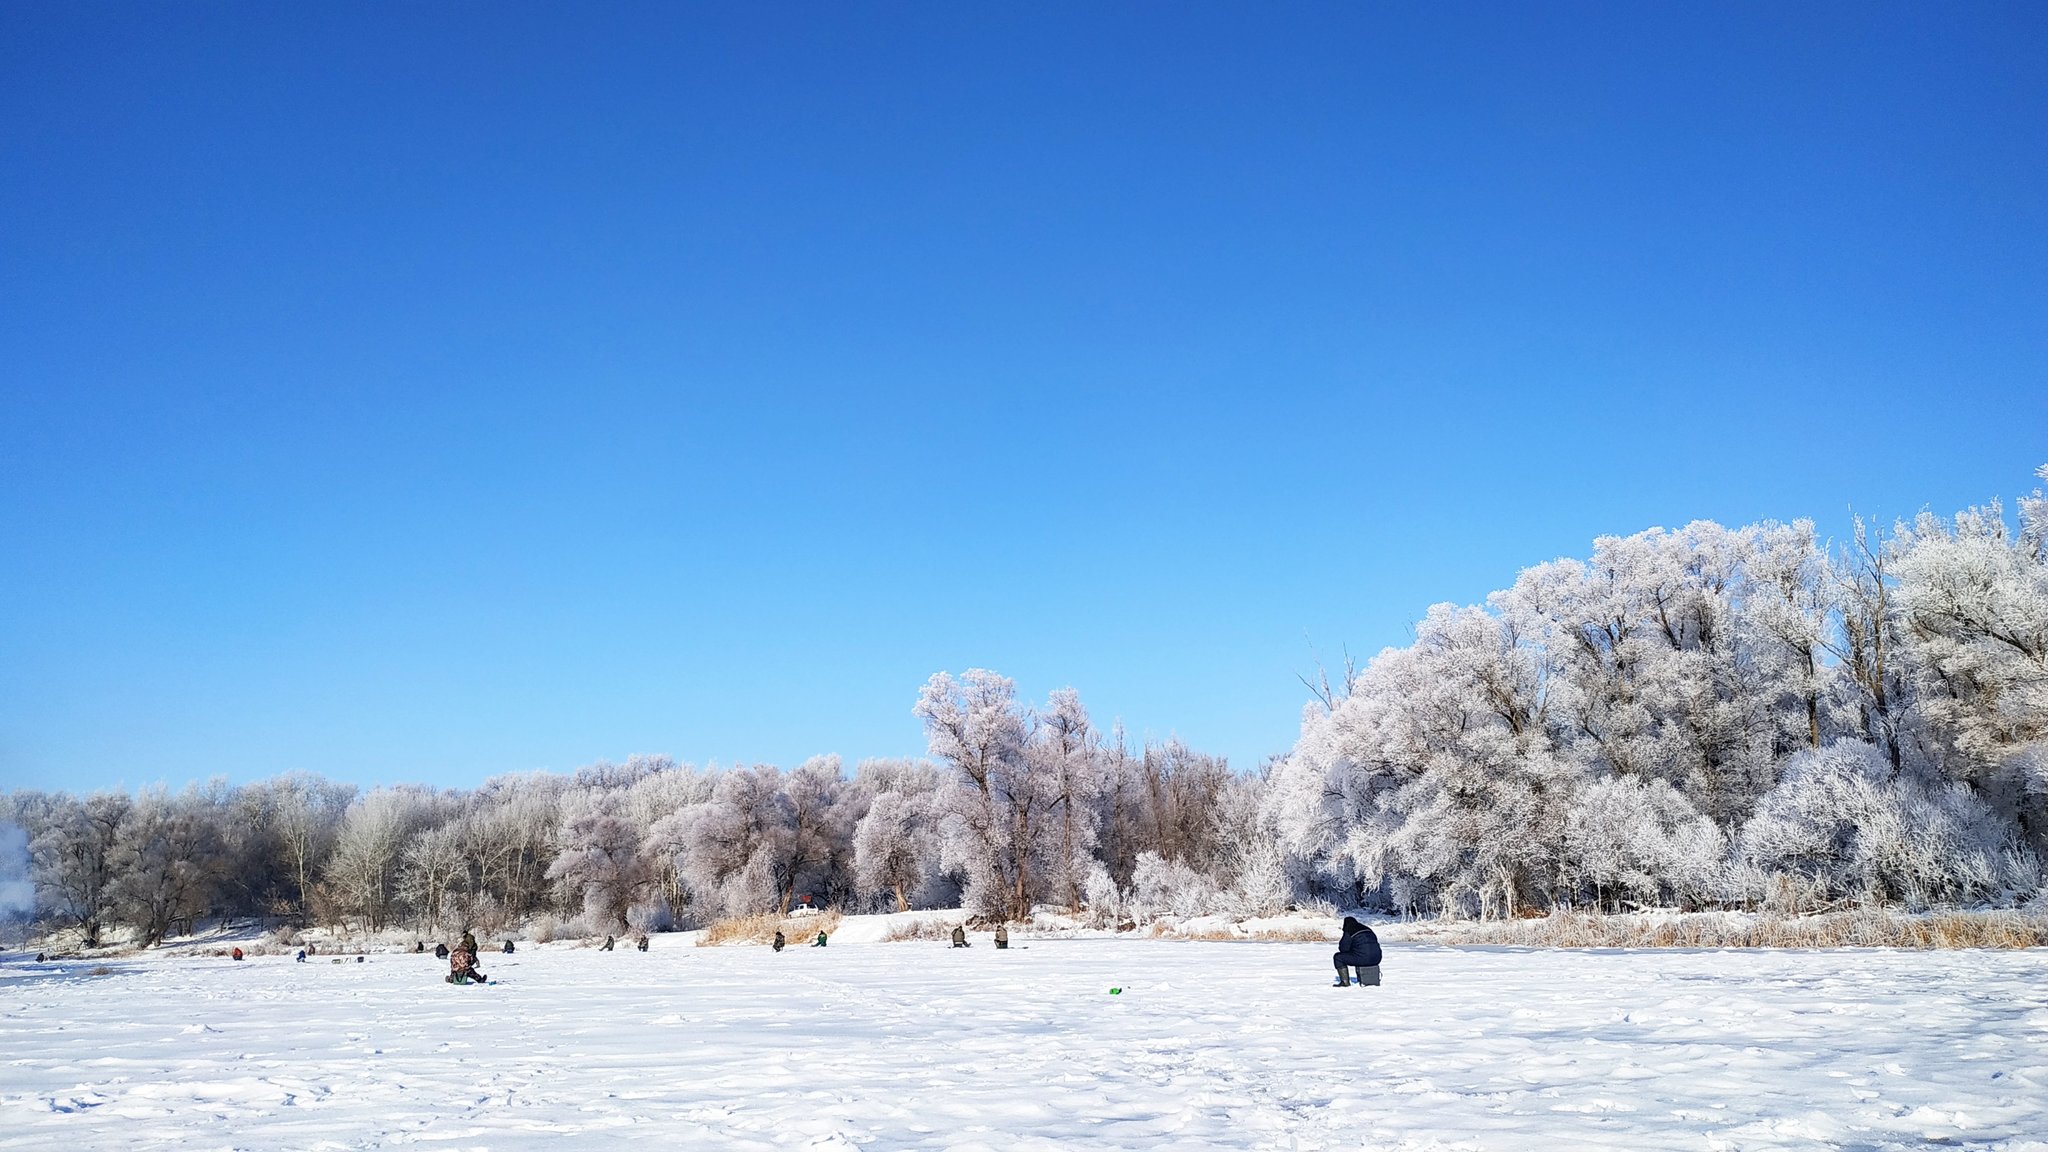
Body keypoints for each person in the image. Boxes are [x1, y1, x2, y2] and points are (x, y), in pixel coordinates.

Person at [1332, 916, 1382, 987]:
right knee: (1360, 952)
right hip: (1377, 958)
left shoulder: (1349, 930)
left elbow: (1343, 948)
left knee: (1338, 957)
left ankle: (1345, 982)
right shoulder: (1368, 929)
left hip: (1363, 959)